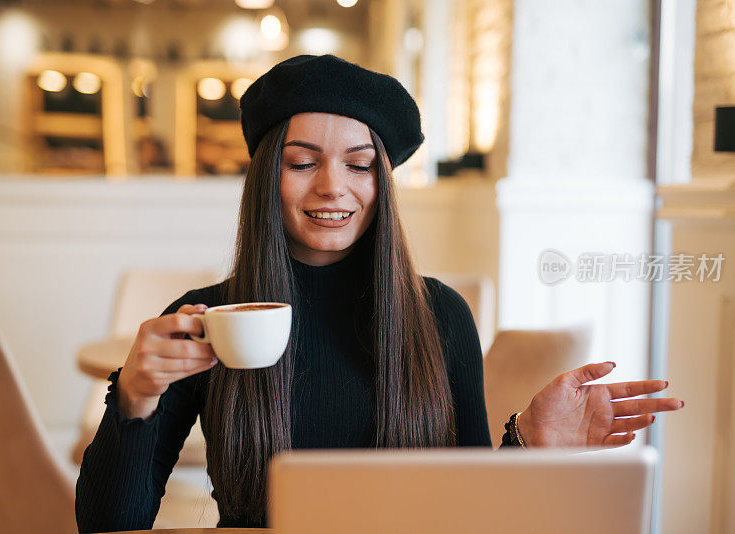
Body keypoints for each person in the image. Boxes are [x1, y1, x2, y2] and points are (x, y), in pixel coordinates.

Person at [75, 55, 683, 532]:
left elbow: (469, 512)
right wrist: (133, 395)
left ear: (382, 182)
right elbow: (107, 525)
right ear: (267, 176)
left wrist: (527, 444)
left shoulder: (441, 314)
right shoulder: (207, 319)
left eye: (359, 165)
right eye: (302, 162)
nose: (332, 188)